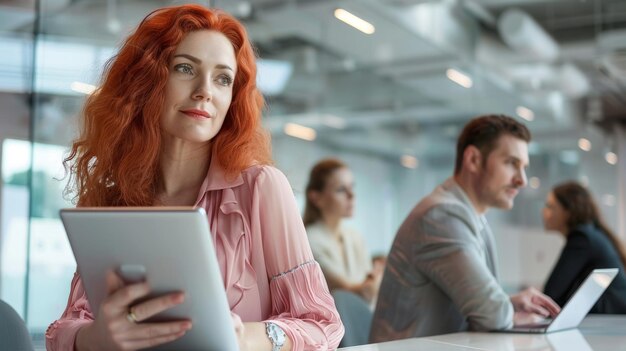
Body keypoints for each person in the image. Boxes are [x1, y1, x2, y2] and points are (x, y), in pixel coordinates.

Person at [45, 5, 343, 351]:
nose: (205, 91)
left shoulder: (260, 188)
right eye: (185, 68)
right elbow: (62, 328)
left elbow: (323, 323)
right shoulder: (112, 199)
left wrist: (249, 338)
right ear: (147, 80)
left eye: (223, 78)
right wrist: (95, 338)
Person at [370, 114, 561, 341]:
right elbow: (492, 315)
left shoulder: (469, 216)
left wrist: (507, 304)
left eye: (524, 167)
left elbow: (487, 307)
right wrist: (504, 310)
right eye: (511, 163)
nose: (522, 180)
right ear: (473, 160)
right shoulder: (441, 216)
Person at [303, 159, 381, 305]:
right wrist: (375, 278)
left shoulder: (354, 236)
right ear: (316, 198)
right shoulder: (309, 241)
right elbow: (359, 292)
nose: (351, 195)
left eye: (352, 187)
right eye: (341, 189)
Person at [543, 181, 626, 313]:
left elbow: (550, 294)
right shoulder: (590, 234)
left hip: (611, 320)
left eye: (550, 206)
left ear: (567, 211)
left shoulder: (581, 238)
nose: (544, 212)